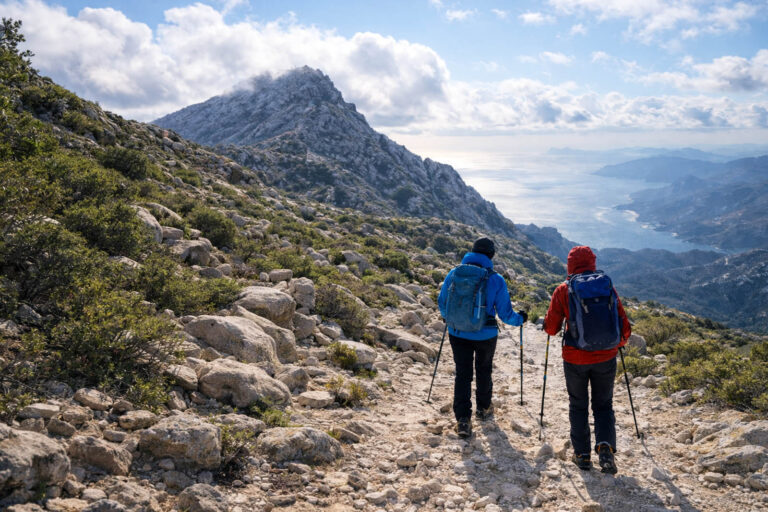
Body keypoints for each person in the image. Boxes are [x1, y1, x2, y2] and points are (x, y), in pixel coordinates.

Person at [543, 246, 631, 474]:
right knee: (604, 404)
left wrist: (547, 324)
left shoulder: (563, 289)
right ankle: (606, 450)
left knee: (578, 405)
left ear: (570, 264)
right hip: (606, 357)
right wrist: (617, 344)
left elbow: (551, 329)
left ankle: (582, 455)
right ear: (593, 262)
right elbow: (623, 325)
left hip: (575, 358)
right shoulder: (606, 286)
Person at [438, 237, 527, 438]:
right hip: (485, 335)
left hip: (457, 332)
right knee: (484, 370)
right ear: (491, 255)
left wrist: (451, 319)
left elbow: (442, 302)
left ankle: (463, 420)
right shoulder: (496, 279)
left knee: (462, 373)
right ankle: (483, 408)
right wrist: (520, 319)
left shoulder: (454, 273)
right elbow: (505, 314)